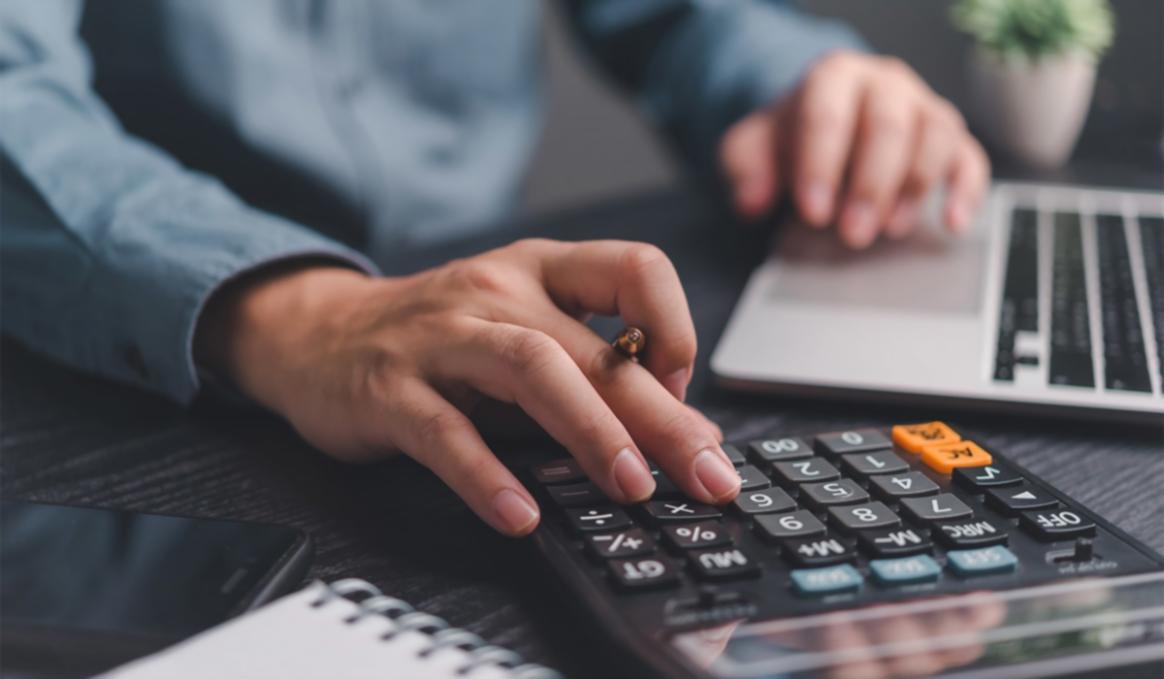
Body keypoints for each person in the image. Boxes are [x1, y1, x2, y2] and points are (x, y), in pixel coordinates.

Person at [0, 1, 988, 537]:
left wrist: (801, 83)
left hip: (505, 350)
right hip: (118, 384)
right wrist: (297, 309)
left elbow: (677, 16)